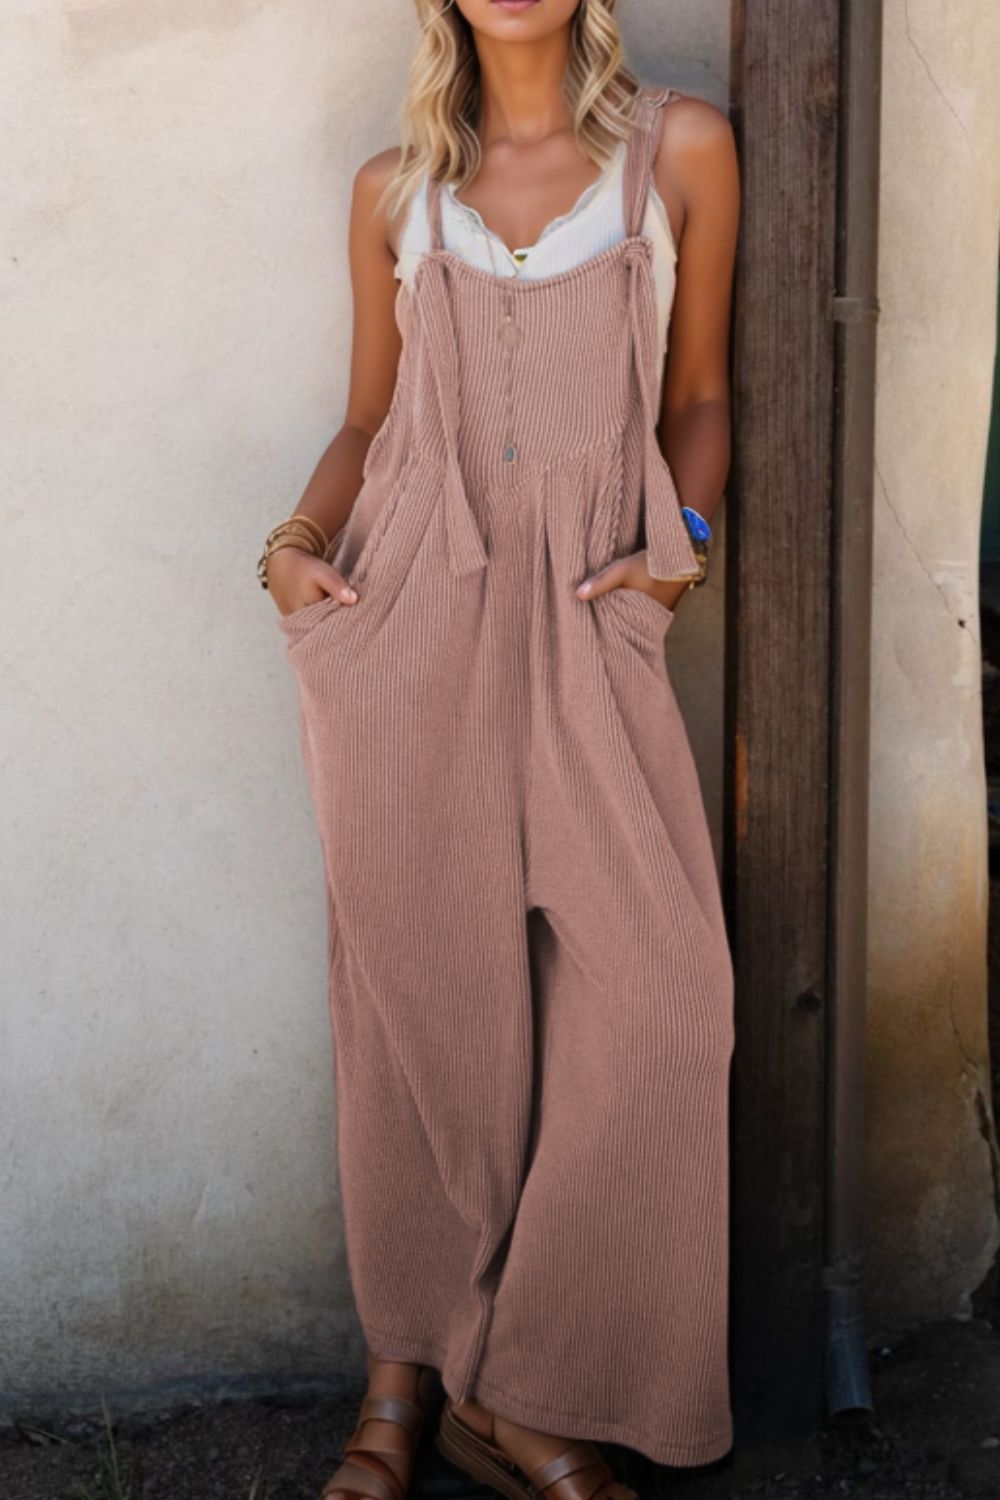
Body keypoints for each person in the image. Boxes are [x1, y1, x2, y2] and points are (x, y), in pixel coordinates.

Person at [257, 3, 740, 1498]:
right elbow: (369, 420)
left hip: (592, 616)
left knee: (668, 1006)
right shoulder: (393, 192)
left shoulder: (680, 151)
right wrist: (291, 548)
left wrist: (678, 555)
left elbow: (701, 396)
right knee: (421, 1012)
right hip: (411, 620)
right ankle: (401, 1385)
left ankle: (519, 1385)